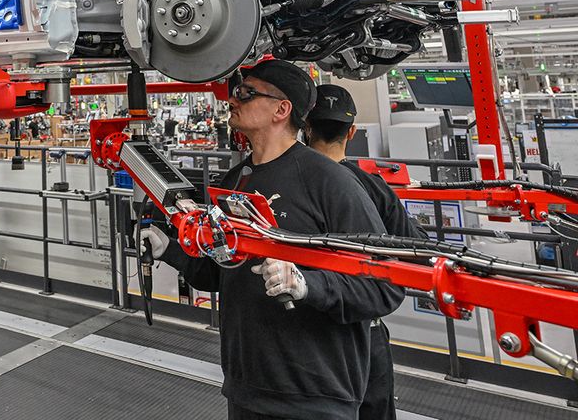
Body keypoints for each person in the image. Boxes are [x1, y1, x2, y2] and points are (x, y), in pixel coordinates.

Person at [142, 60, 403, 420]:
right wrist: (169, 248)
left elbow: (385, 287)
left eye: (247, 93)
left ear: (282, 110)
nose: (233, 99)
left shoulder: (330, 182)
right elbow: (221, 273)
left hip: (314, 396)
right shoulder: (235, 180)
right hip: (246, 389)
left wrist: (307, 284)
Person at [306, 84, 426, 420]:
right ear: (352, 132)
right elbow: (417, 248)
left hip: (308, 337)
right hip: (366, 331)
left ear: (306, 128)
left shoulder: (291, 185)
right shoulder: (373, 186)